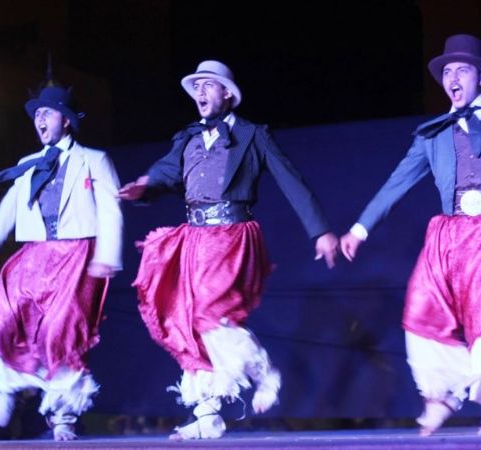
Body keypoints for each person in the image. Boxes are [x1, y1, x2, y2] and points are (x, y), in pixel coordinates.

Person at [339, 34, 481, 437]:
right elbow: (397, 182)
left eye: (461, 70)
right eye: (446, 72)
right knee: (422, 305)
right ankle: (441, 394)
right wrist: (360, 228)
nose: (452, 78)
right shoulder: (432, 133)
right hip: (449, 229)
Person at [118, 60, 338, 440]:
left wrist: (320, 231)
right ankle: (207, 413)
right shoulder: (187, 137)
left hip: (232, 234)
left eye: (208, 85)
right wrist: (144, 184)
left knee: (209, 312)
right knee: (188, 319)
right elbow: (166, 171)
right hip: (194, 237)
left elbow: (291, 181)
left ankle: (264, 372)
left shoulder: (252, 135)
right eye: (197, 87)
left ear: (227, 94)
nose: (200, 93)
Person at [0, 86, 123, 441]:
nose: (39, 120)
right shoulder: (29, 164)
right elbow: (9, 208)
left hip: (76, 255)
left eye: (47, 113)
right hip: (34, 254)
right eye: (37, 115)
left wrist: (107, 255)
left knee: (62, 332)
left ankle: (63, 415)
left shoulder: (93, 160)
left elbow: (110, 209)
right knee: (6, 317)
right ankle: (2, 386)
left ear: (67, 121)